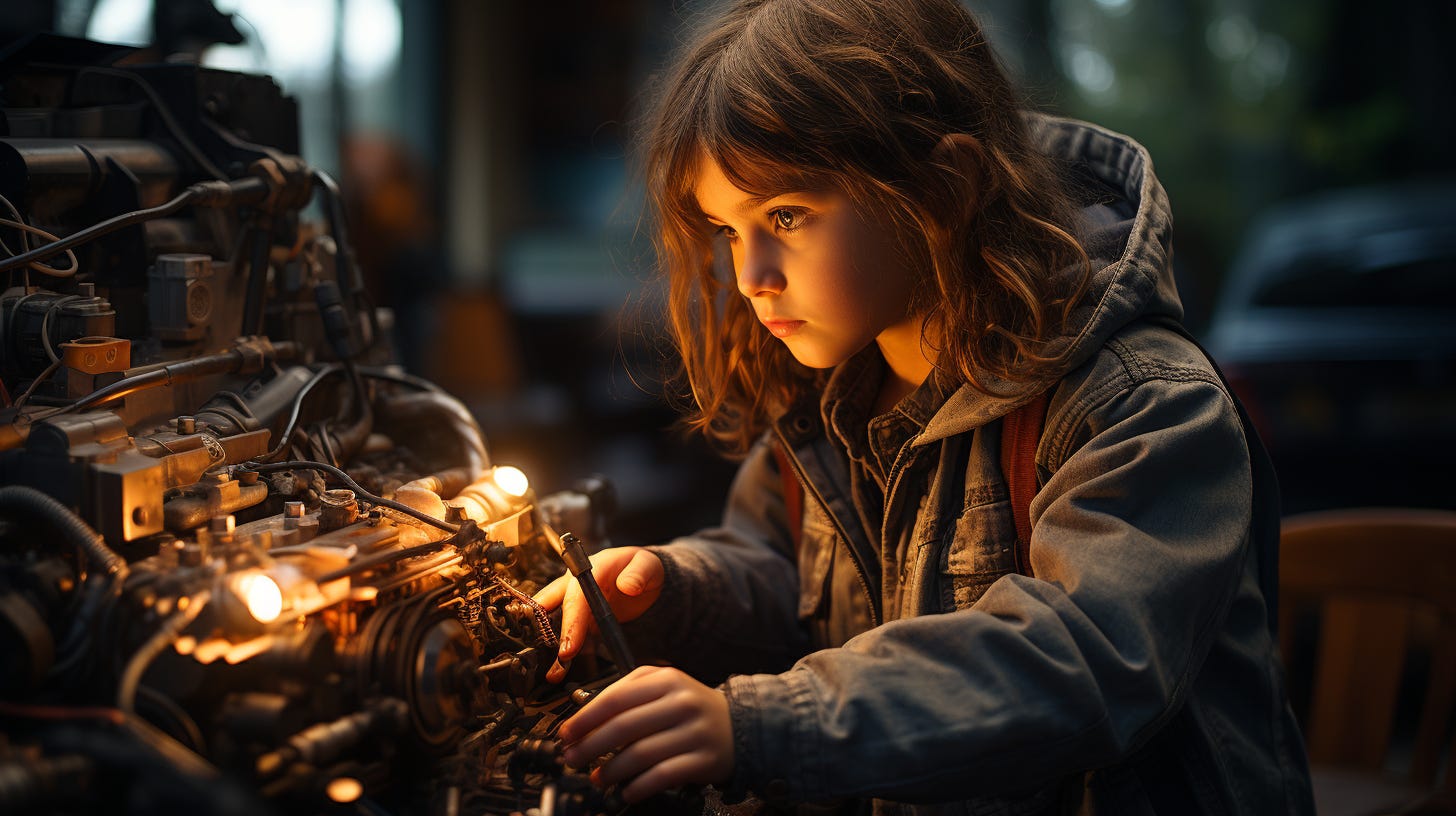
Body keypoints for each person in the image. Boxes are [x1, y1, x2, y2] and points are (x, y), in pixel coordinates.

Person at [533, 0, 1315, 813]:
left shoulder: (1142, 402)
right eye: (727, 230)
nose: (751, 274)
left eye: (786, 215)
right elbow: (784, 575)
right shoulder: (832, 390)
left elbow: (1083, 661)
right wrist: (674, 587)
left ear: (942, 190)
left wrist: (765, 723)